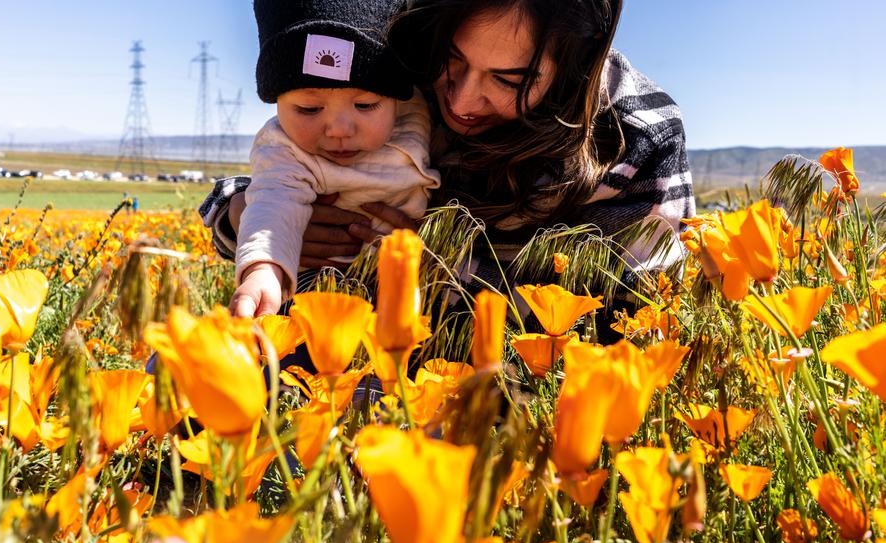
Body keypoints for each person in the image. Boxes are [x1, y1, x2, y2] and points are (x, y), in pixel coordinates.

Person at [200, 0, 695, 339]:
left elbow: (630, 319)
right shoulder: (401, 72)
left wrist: (446, 267)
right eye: (452, 60)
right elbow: (288, 168)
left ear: (578, 62)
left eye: (509, 79)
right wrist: (244, 216)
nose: (460, 101)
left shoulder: (637, 136)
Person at [227, 0, 440, 318]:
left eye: (365, 105)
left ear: (397, 96)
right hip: (315, 289)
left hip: (416, 292)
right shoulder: (285, 149)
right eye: (309, 109)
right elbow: (273, 206)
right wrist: (264, 271)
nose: (339, 129)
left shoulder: (424, 114)